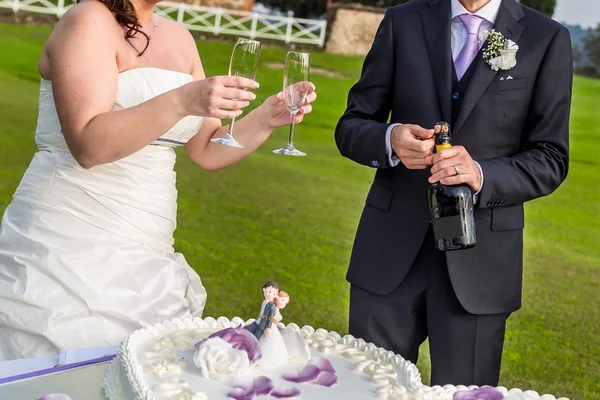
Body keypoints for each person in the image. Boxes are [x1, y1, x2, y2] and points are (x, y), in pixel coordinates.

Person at [0, 0, 316, 361]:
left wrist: (266, 118)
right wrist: (183, 99)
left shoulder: (179, 38)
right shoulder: (88, 19)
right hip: (69, 239)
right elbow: (88, 145)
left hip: (149, 249)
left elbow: (207, 149)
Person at [334, 0, 571, 387]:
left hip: (482, 264)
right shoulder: (403, 20)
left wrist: (480, 173)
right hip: (388, 254)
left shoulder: (546, 38)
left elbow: (551, 158)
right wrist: (390, 139)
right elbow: (351, 126)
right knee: (367, 389)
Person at [256, 290, 290, 368]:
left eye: (285, 302)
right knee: (268, 343)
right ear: (277, 298)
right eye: (282, 300)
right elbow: (269, 318)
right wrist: (268, 328)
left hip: (274, 328)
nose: (284, 304)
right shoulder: (272, 308)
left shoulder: (276, 309)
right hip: (270, 328)